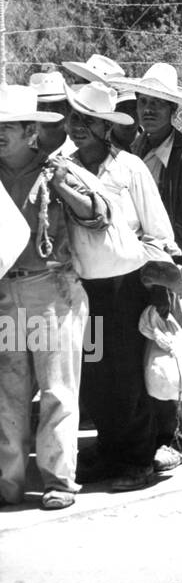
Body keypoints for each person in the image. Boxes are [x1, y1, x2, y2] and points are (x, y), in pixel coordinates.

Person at [64, 81, 180, 492]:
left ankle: (136, 459)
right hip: (85, 290)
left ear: (106, 125)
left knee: (128, 373)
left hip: (126, 286)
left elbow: (157, 230)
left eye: (89, 120)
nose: (79, 127)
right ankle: (111, 450)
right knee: (95, 373)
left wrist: (159, 287)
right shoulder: (63, 167)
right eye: (75, 117)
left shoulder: (129, 169)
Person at [0, 86, 104, 509]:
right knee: (9, 388)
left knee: (58, 388)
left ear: (31, 132)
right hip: (7, 293)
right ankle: (8, 481)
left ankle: (59, 481)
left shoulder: (56, 171)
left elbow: (99, 215)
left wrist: (67, 189)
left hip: (51, 291)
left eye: (7, 127)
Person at [120, 63, 182, 471]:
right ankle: (146, 436)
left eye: (157, 104)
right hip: (137, 268)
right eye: (143, 102)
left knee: (173, 355)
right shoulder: (133, 153)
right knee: (143, 355)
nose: (148, 111)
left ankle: (175, 440)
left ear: (172, 110)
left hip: (175, 271)